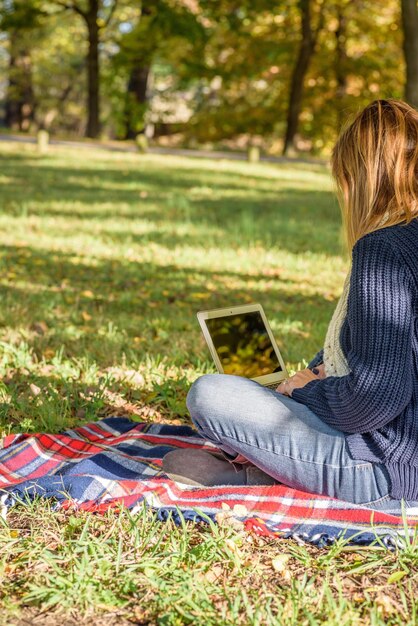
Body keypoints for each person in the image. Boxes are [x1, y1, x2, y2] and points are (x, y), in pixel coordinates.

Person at [163, 99, 418, 512]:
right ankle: (267, 467)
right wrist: (318, 372)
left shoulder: (384, 248)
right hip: (399, 455)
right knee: (263, 391)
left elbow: (375, 400)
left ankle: (264, 471)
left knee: (211, 394)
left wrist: (307, 392)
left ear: (364, 177)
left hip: (387, 470)